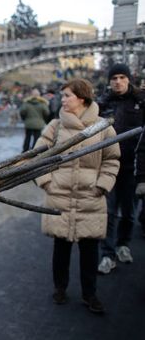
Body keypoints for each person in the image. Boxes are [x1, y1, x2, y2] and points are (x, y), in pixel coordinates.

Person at [34, 78, 120, 314]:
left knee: (89, 250)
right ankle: (60, 288)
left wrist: (102, 186)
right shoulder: (55, 127)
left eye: (67, 96)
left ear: (81, 98)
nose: (62, 100)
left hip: (90, 196)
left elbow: (112, 160)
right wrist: (47, 182)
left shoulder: (104, 127)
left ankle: (89, 294)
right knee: (60, 248)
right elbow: (37, 157)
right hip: (59, 195)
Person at [97, 63, 145, 274]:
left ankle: (123, 244)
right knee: (107, 212)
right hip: (108, 167)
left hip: (132, 168)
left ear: (128, 80)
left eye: (121, 78)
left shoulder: (141, 103)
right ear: (109, 81)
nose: (118, 81)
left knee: (129, 212)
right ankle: (107, 254)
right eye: (114, 78)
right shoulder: (103, 104)